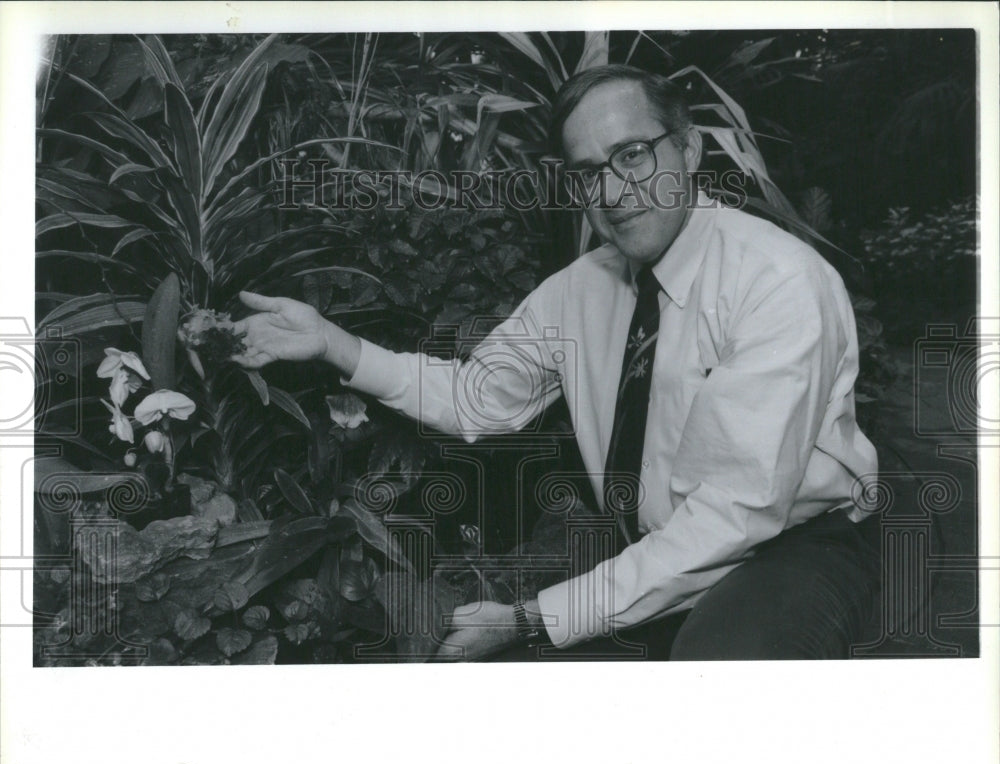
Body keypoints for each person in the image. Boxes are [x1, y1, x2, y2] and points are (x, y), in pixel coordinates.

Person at [232, 65, 881, 661]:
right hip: (649, 545)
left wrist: (530, 616)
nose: (613, 190)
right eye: (588, 171)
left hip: (787, 545)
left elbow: (733, 518)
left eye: (631, 155)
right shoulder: (582, 288)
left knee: (715, 671)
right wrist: (330, 342)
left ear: (688, 148)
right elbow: (477, 399)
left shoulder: (775, 281)